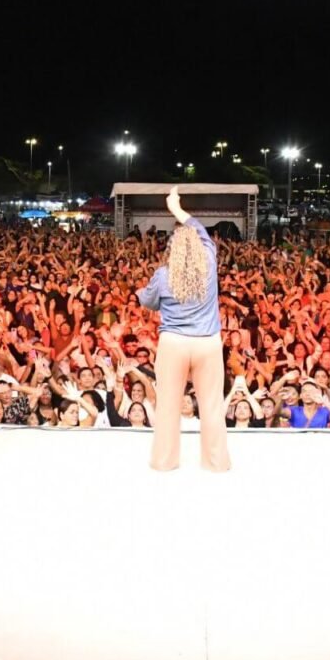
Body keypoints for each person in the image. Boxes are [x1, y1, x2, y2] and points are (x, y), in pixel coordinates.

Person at [136, 186, 230, 472]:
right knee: (211, 406)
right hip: (207, 343)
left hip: (174, 343)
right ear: (200, 247)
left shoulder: (163, 276)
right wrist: (176, 209)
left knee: (167, 405)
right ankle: (216, 463)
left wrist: (143, 291)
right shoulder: (210, 265)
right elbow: (200, 231)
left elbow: (149, 303)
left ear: (173, 250)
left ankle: (164, 462)